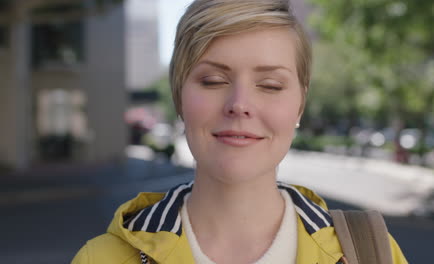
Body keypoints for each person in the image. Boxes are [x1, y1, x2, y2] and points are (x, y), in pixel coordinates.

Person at [72, 0, 408, 263]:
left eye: (271, 85)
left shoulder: (371, 252)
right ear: (179, 96)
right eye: (214, 81)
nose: (240, 104)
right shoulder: (101, 259)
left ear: (300, 105)